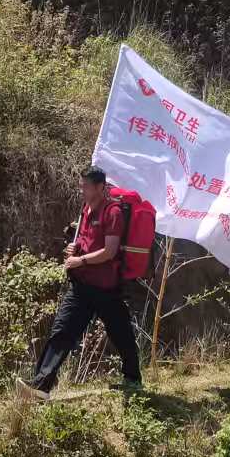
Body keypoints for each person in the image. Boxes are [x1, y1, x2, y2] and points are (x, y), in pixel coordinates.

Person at [21, 166, 142, 400]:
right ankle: (40, 387)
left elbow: (109, 251)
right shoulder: (86, 210)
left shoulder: (113, 212)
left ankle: (133, 379)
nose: (82, 189)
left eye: (86, 185)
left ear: (100, 187)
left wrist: (80, 260)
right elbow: (86, 241)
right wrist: (73, 249)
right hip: (82, 286)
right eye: (82, 185)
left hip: (106, 288)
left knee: (121, 333)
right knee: (62, 331)